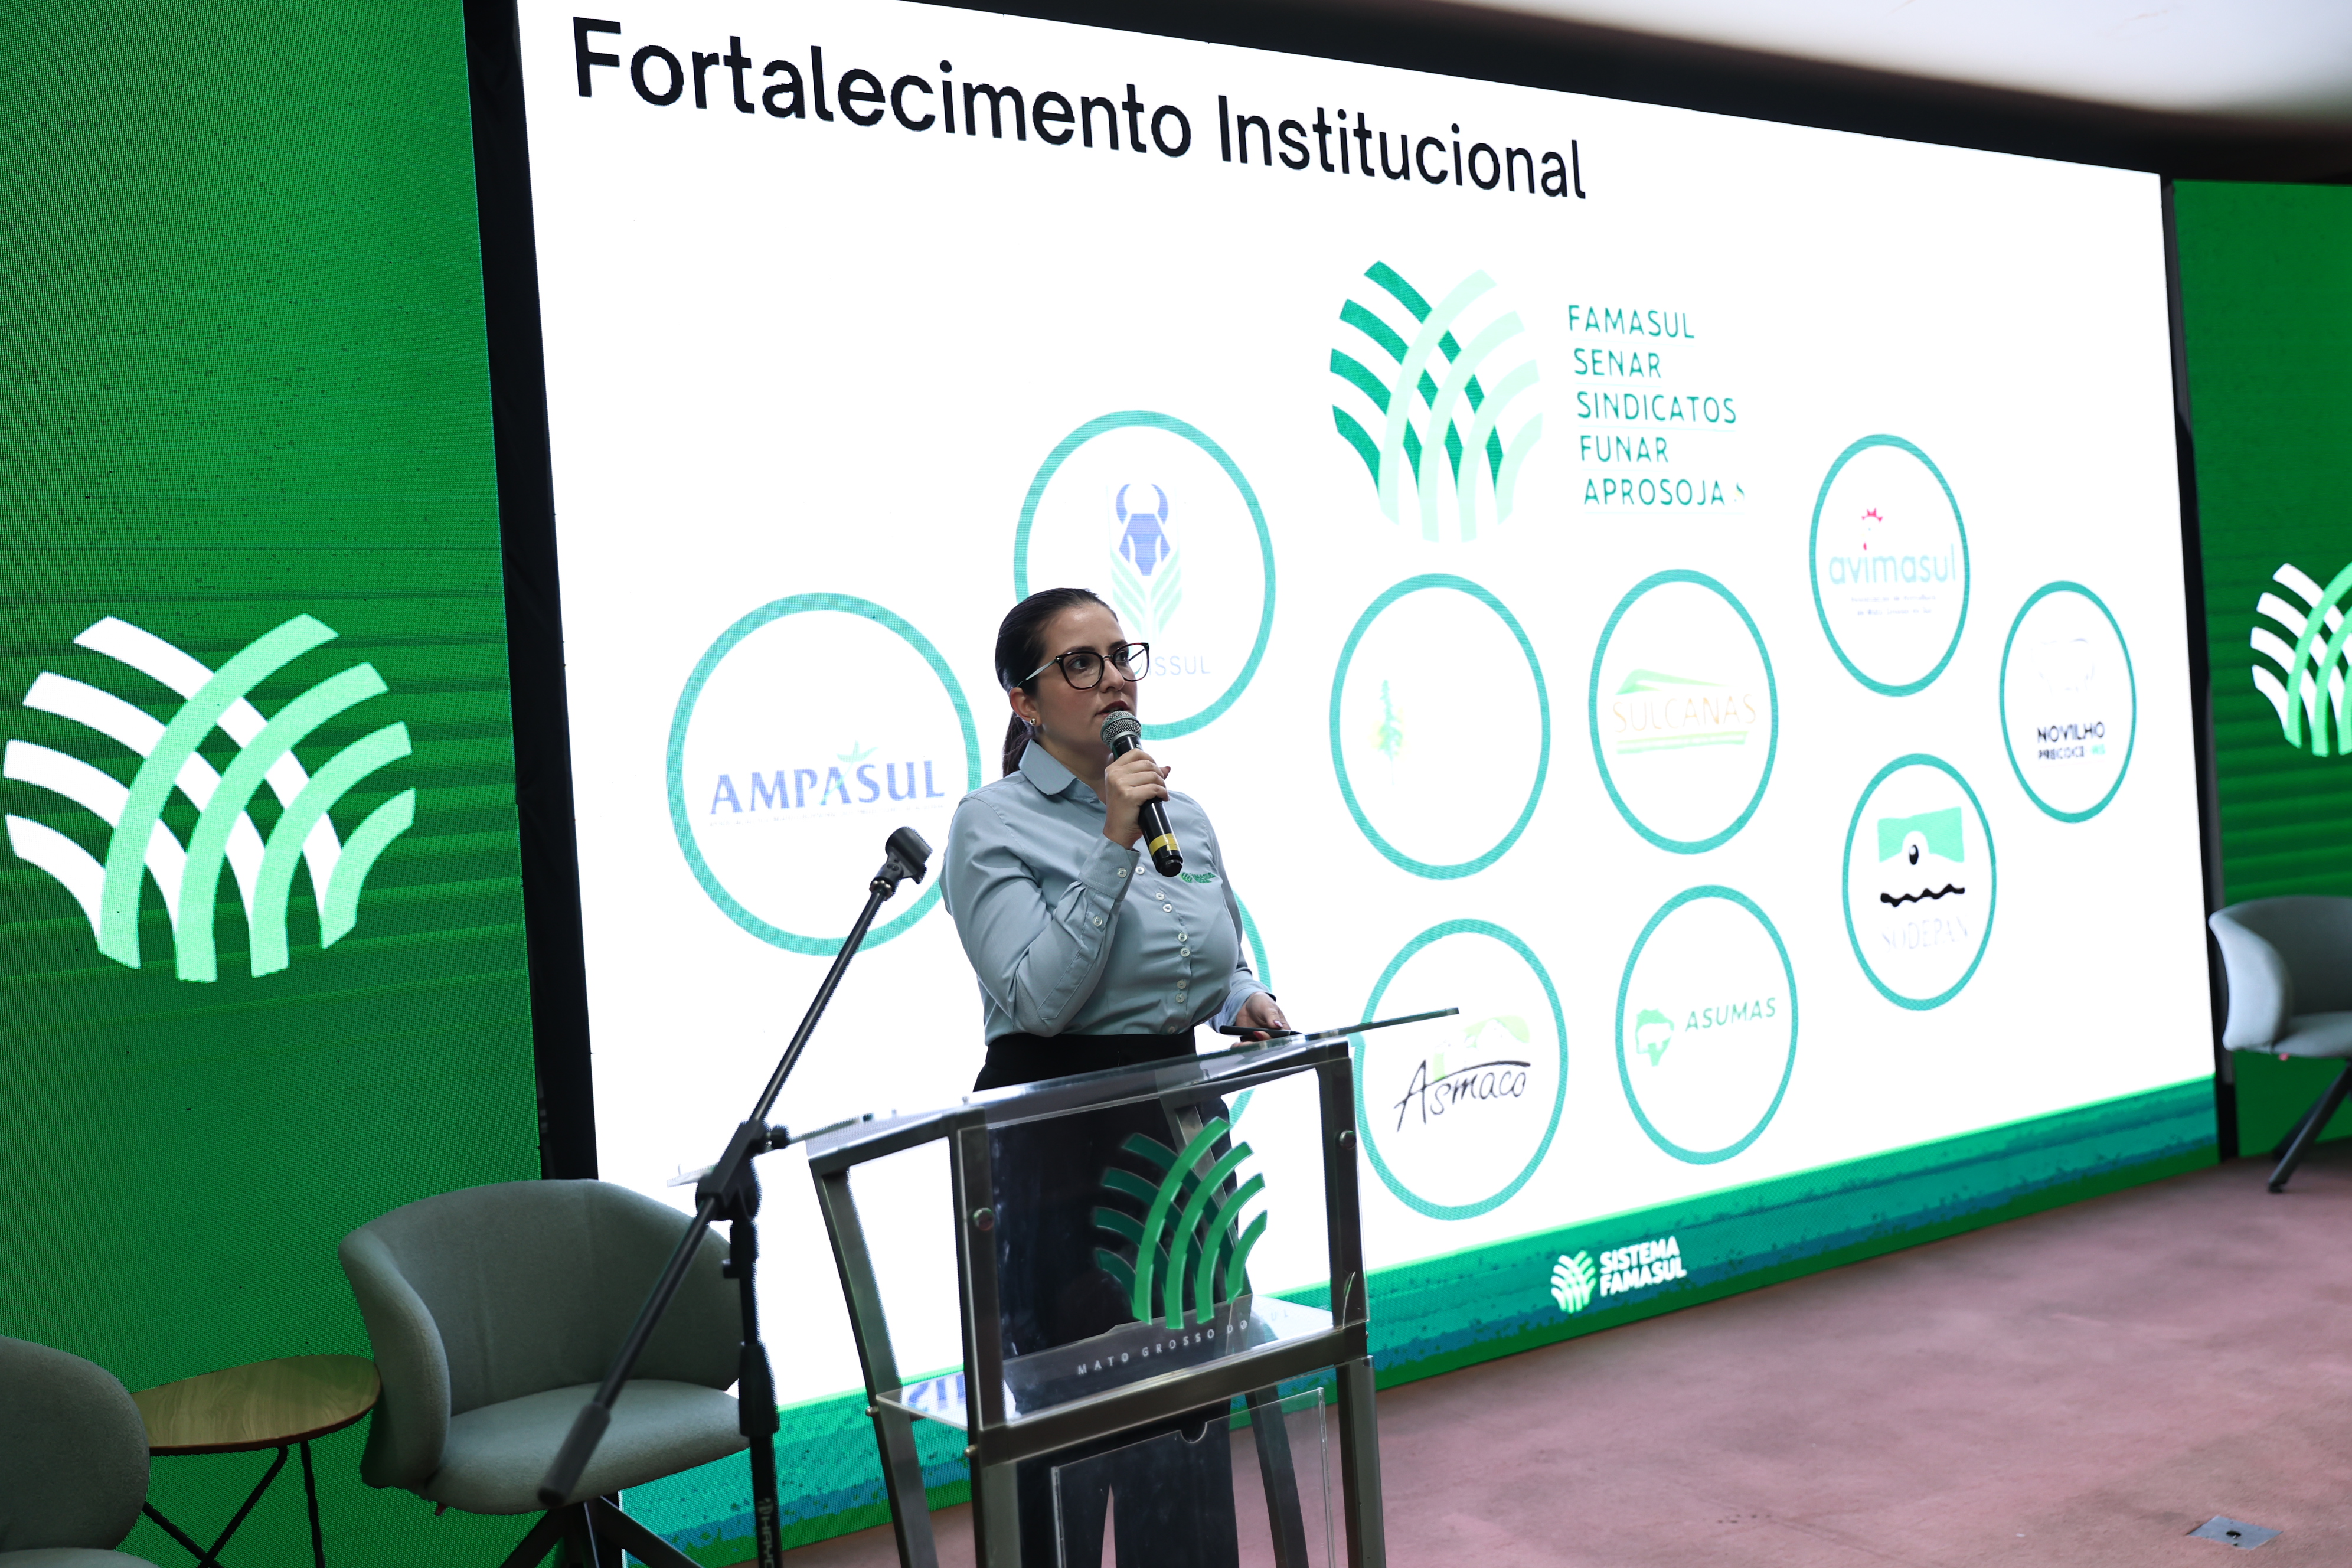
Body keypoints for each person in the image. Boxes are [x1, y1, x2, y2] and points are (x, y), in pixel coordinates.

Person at [942, 586, 1288, 1567]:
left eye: (1120, 656)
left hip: (1179, 1136)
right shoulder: (990, 825)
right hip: (1057, 1142)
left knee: (1188, 1416)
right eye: (1080, 664)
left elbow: (1210, 954)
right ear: (1024, 701)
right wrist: (1111, 843)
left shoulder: (1185, 816)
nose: (1113, 680)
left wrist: (1244, 997)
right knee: (1075, 1432)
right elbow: (1039, 997)